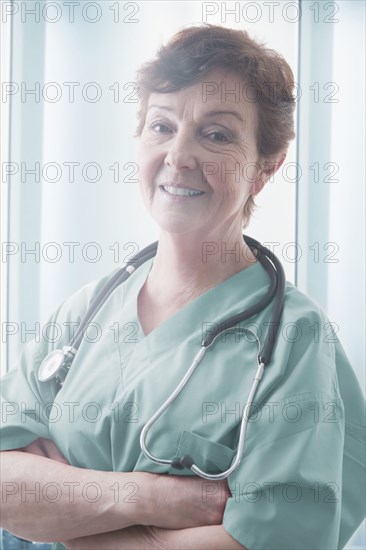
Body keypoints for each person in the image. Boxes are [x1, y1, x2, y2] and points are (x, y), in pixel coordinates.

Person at [1, 23, 365, 550]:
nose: (178, 156)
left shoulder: (297, 343)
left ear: (265, 167)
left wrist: (69, 519)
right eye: (161, 126)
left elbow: (271, 542)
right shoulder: (87, 312)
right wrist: (154, 501)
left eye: (215, 135)